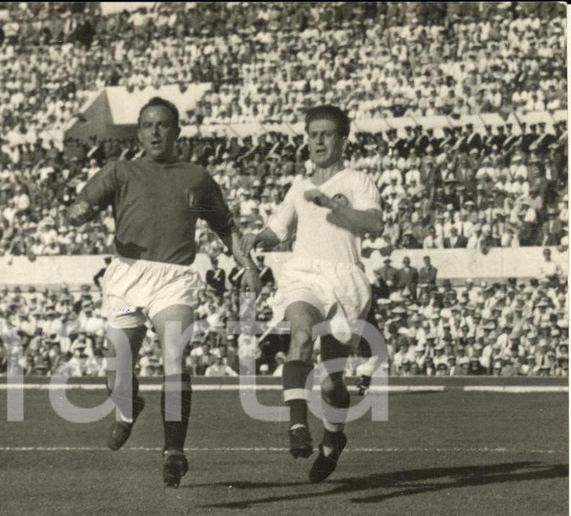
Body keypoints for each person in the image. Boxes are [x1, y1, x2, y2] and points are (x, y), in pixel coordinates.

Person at [64, 96, 260, 487]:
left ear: (177, 131)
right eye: (148, 125)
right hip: (126, 274)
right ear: (139, 132)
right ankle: (128, 409)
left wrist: (249, 265)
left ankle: (174, 451)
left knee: (174, 357)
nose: (155, 131)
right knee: (117, 371)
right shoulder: (120, 171)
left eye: (163, 124)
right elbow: (74, 211)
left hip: (174, 277)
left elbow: (226, 228)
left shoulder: (197, 177)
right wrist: (78, 214)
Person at [240, 104, 383, 483]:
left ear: (342, 139)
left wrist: (334, 205)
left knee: (333, 385)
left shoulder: (356, 181)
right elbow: (277, 229)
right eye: (313, 134)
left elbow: (374, 224)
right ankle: (297, 426)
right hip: (304, 274)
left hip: (346, 282)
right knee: (300, 334)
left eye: (327, 134)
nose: (318, 141)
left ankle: (334, 438)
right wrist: (258, 237)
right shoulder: (299, 187)